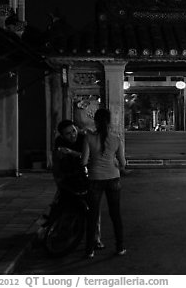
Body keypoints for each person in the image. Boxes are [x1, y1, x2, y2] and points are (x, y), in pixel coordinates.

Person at [52, 120, 104, 249]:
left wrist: (71, 152)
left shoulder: (84, 139)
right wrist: (58, 180)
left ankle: (95, 239)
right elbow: (57, 163)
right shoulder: (59, 142)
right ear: (62, 135)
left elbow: (92, 158)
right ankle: (56, 232)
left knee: (93, 209)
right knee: (59, 205)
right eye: (68, 134)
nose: (72, 135)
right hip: (69, 178)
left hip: (88, 178)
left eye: (73, 131)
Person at [82, 108, 127, 258]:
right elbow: (123, 163)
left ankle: (89, 250)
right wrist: (114, 161)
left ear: (95, 121)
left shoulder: (88, 138)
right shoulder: (116, 138)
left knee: (92, 216)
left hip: (94, 178)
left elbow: (83, 161)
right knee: (115, 214)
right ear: (109, 122)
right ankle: (120, 247)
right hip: (113, 178)